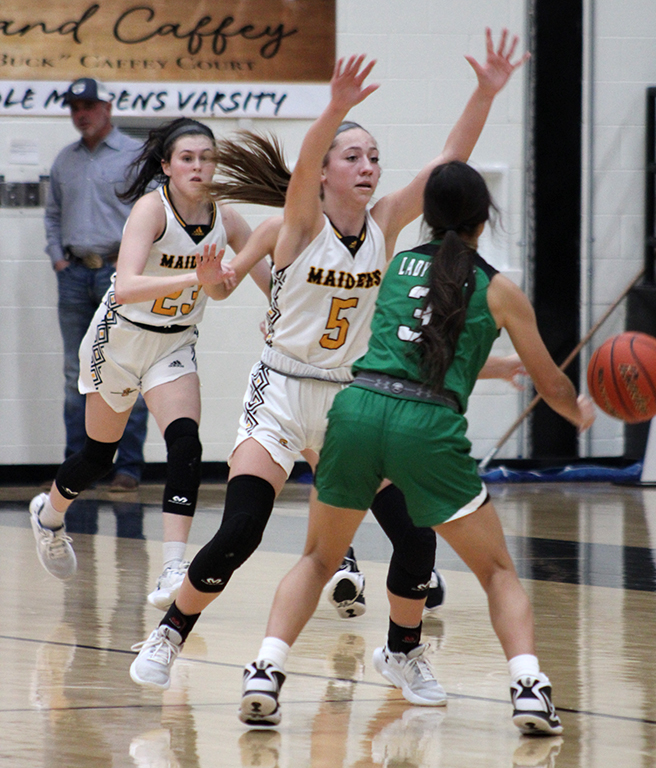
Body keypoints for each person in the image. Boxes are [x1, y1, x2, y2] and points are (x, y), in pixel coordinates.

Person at [129, 29, 529, 705]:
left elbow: (449, 163)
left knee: (415, 538)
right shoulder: (298, 226)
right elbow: (229, 280)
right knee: (241, 531)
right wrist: (329, 111)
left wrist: (485, 92)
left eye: (374, 155)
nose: (369, 165)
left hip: (352, 402)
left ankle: (401, 653)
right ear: (323, 172)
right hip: (281, 394)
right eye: (353, 155)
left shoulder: (386, 224)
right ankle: (169, 634)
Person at [240, 160, 596, 735]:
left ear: (427, 218)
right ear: (485, 220)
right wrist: (577, 411)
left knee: (317, 559)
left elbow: (402, 348)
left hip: (355, 411)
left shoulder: (394, 263)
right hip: (425, 427)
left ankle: (265, 670)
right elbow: (551, 383)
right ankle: (529, 689)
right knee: (498, 572)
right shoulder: (498, 289)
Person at [29, 118, 268, 598]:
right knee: (98, 456)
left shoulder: (228, 219)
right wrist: (194, 280)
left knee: (185, 444)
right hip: (119, 339)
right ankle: (50, 515)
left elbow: (263, 277)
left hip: (173, 343)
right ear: (167, 166)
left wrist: (282, 319)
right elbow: (127, 285)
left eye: (207, 157)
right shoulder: (151, 210)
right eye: (187, 158)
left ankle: (173, 568)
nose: (198, 166)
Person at [45, 77, 149, 491]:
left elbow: (154, 212)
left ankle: (129, 468)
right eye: (74, 107)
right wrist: (56, 255)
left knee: (128, 368)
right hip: (72, 275)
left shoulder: (136, 155)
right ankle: (78, 469)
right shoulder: (64, 160)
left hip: (117, 274)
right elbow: (52, 214)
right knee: (76, 371)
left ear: (107, 106)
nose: (80, 113)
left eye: (87, 105)